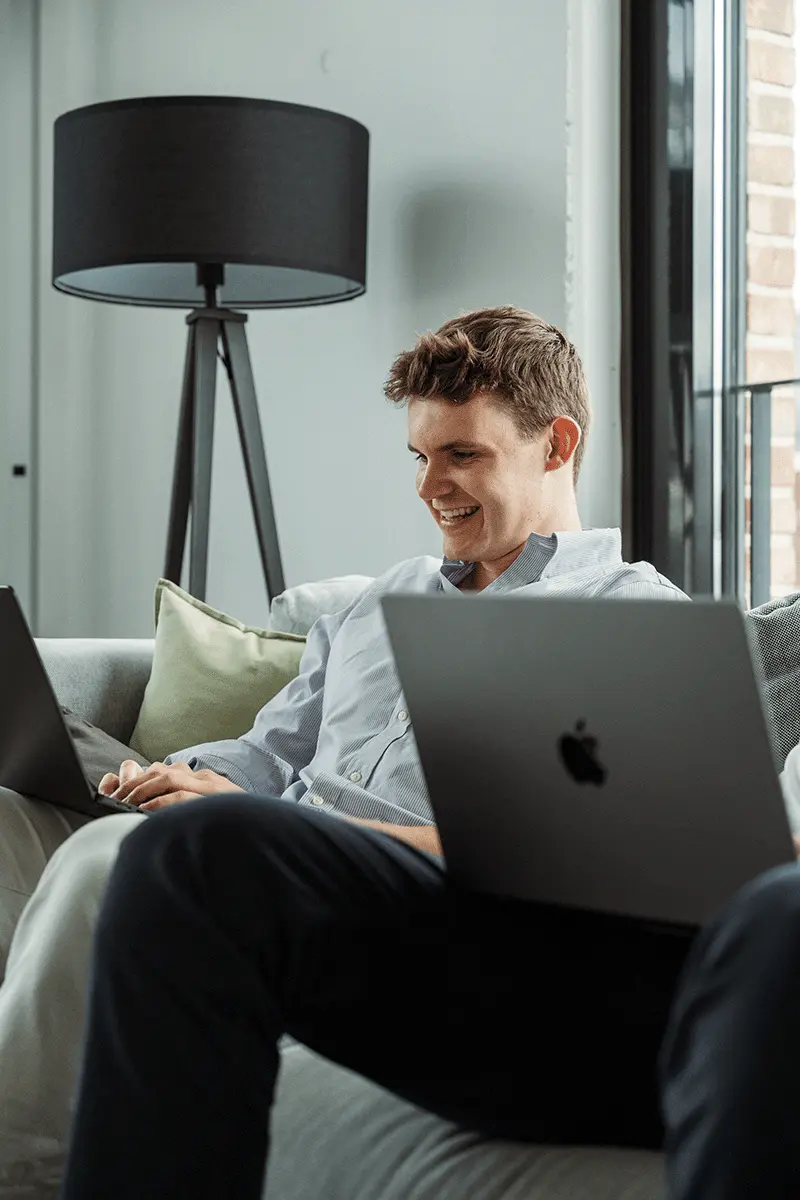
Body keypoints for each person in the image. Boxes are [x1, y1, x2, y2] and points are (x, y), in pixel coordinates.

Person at [0, 307, 690, 1188]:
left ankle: (22, 1177)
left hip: (390, 893)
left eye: (462, 454)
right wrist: (184, 774)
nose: (428, 485)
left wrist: (237, 816)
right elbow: (266, 752)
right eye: (420, 455)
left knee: (113, 861)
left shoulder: (632, 616)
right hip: (254, 844)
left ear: (555, 445)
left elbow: (578, 853)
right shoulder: (377, 602)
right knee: (14, 822)